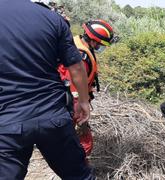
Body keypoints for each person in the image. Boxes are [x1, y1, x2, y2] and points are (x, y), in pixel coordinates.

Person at [0, 1, 94, 179]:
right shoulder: (52, 18)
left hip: (8, 122)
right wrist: (83, 101)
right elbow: (76, 68)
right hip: (53, 117)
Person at [58, 19, 116, 157]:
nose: (102, 48)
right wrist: (80, 117)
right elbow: (73, 89)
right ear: (94, 41)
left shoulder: (77, 44)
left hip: (67, 103)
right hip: (71, 105)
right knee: (85, 142)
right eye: (102, 45)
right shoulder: (81, 56)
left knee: (68, 142)